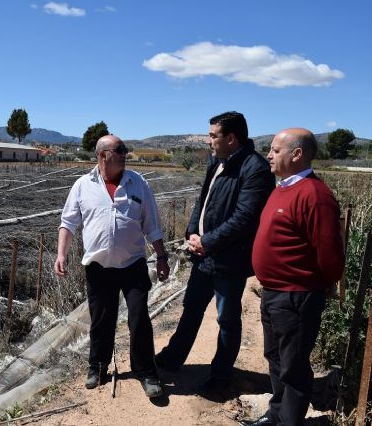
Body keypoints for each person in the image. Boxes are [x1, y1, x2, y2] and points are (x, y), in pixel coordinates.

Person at [155, 111, 275, 394]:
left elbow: (245, 218)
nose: (208, 141)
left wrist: (207, 241)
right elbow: (203, 200)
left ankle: (221, 377)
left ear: (231, 139)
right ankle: (172, 358)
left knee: (227, 320)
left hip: (230, 260)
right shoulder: (218, 162)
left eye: (212, 136)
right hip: (204, 256)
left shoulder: (255, 169)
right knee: (191, 308)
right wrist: (192, 232)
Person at [241, 128, 345, 426]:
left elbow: (330, 254)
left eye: (275, 150)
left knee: (294, 367)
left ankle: (290, 421)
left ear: (297, 154)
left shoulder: (315, 195)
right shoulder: (282, 188)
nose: (269, 155)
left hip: (296, 295)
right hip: (274, 292)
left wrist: (319, 285)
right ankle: (276, 414)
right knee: (275, 358)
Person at [54, 134, 170, 398]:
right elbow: (68, 223)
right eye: (119, 150)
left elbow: (152, 225)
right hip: (99, 267)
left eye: (125, 149)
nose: (125, 154)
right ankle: (97, 367)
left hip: (133, 264)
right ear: (102, 155)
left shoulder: (138, 183)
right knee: (101, 321)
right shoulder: (83, 185)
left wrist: (162, 256)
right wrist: (61, 254)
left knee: (139, 318)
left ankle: (146, 371)